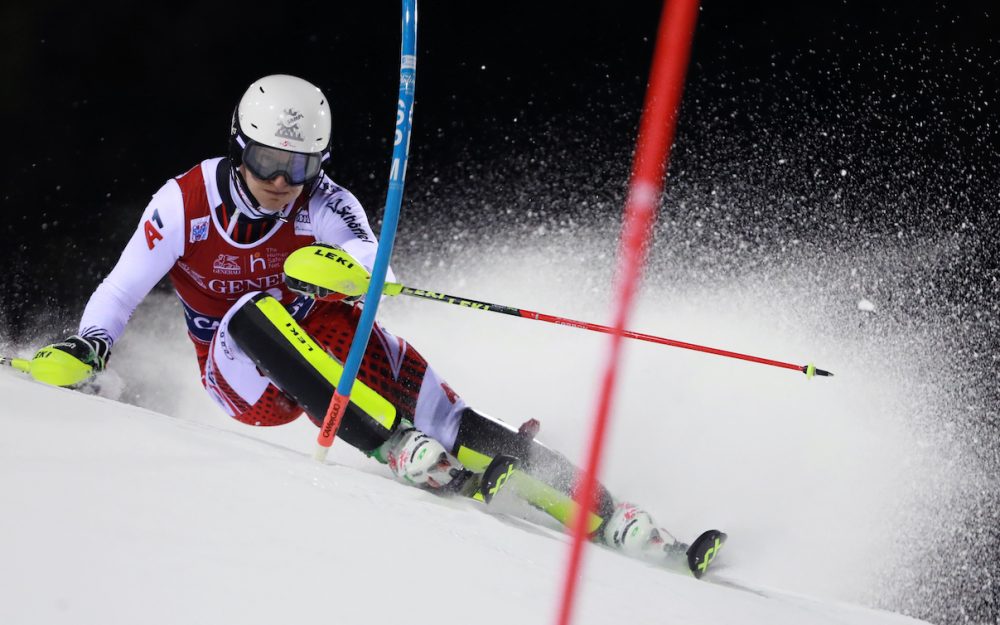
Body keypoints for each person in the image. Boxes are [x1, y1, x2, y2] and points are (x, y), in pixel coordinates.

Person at [29, 74, 686, 561]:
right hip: (245, 377)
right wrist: (92, 343)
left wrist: (348, 271)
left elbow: (379, 268)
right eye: (268, 162)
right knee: (250, 309)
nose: (283, 181)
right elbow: (120, 290)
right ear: (240, 147)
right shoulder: (184, 202)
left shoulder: (326, 202)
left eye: (301, 165)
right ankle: (392, 442)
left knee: (444, 408)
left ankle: (611, 514)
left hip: (326, 349)